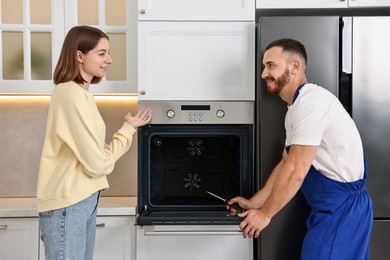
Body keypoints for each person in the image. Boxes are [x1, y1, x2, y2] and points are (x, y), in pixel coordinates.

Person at [227, 38, 373, 259]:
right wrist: (255, 202)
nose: (263, 74)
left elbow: (296, 171)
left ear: (294, 66)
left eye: (271, 65)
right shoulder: (297, 107)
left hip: (343, 211)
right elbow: (287, 162)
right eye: (264, 67)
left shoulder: (310, 104)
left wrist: (265, 215)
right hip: (334, 210)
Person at [36, 25, 152, 260]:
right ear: (79, 56)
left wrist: (125, 131)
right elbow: (99, 164)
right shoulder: (68, 93)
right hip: (70, 201)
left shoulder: (82, 95)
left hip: (82, 199)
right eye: (101, 53)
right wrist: (120, 137)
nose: (109, 60)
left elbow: (98, 157)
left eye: (108, 53)